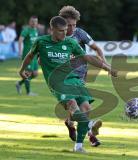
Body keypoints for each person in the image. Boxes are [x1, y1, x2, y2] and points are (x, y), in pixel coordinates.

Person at [19, 16, 117, 153]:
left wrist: (107, 68)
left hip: (73, 79)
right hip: (57, 83)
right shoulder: (41, 42)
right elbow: (30, 56)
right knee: (72, 106)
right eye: (61, 31)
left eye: (66, 30)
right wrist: (22, 70)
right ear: (52, 29)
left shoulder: (70, 42)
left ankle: (78, 146)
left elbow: (87, 57)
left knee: (86, 107)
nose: (65, 33)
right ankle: (90, 124)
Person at [58, 5, 110, 146]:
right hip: (64, 78)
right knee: (80, 106)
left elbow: (97, 49)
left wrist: (106, 65)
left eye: (74, 25)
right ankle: (91, 134)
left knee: (80, 108)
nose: (72, 28)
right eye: (69, 25)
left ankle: (70, 123)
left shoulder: (80, 34)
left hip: (81, 76)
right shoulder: (56, 37)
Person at [16, 16, 39, 96]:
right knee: (28, 73)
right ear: (29, 22)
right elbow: (20, 40)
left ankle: (19, 83)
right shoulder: (26, 30)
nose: (34, 23)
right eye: (32, 21)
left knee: (35, 73)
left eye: (35, 21)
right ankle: (28, 92)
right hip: (28, 55)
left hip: (35, 56)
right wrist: (19, 52)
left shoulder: (36, 30)